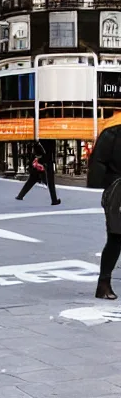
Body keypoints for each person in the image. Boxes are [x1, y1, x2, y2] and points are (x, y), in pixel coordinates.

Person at [87, 119, 121, 299]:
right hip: (117, 192)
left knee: (116, 238)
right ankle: (104, 283)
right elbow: (98, 163)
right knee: (116, 237)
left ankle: (104, 284)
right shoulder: (111, 134)